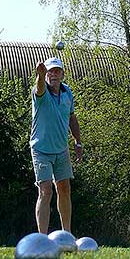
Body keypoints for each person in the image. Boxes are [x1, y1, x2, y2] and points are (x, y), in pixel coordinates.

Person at [30, 57, 82, 234]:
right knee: (46, 191)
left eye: (56, 71)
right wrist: (40, 75)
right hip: (41, 149)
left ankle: (66, 235)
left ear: (62, 74)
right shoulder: (40, 92)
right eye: (50, 71)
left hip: (61, 149)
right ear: (46, 75)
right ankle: (42, 239)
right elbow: (40, 87)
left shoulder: (68, 93)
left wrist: (78, 141)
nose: (53, 74)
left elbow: (72, 118)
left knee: (64, 189)